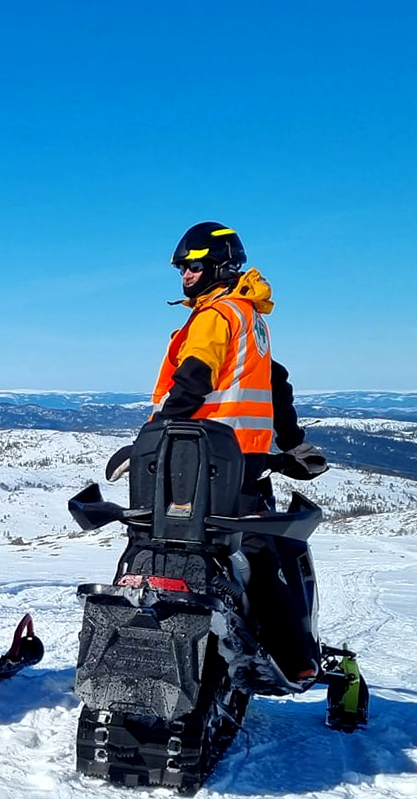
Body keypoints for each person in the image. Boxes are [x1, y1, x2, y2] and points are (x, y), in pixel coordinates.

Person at [148, 221, 327, 678]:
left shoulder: (216, 316)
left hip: (203, 456)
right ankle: (294, 654)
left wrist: (157, 436)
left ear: (220, 265)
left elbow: (194, 377)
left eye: (193, 265)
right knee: (257, 554)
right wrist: (291, 441)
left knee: (174, 542)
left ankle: (292, 658)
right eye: (182, 268)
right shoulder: (250, 318)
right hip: (242, 458)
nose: (185, 275)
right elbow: (276, 382)